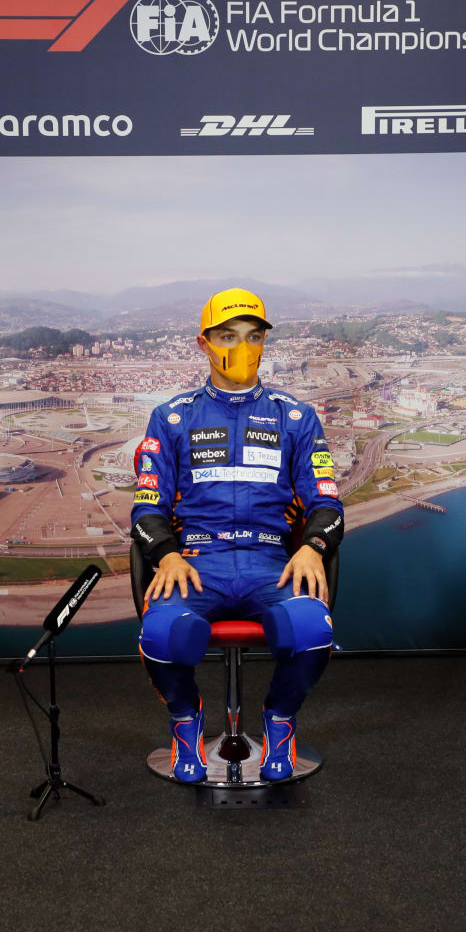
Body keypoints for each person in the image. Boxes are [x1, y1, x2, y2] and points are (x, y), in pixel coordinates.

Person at [130, 288, 344, 782]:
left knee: (314, 630)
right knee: (161, 635)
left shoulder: (296, 416)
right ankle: (186, 721)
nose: (242, 348)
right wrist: (166, 556)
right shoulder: (172, 417)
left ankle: (280, 721)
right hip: (197, 562)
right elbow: (146, 508)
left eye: (253, 337)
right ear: (203, 343)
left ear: (265, 343)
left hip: (272, 562)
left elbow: (327, 502)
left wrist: (313, 547)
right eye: (228, 336)